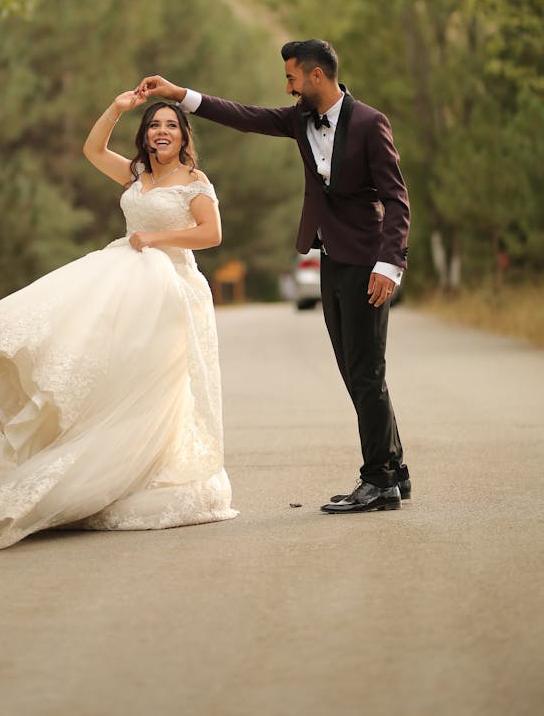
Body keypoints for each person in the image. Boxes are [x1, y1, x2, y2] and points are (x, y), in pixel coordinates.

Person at [0, 91, 237, 550]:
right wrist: (118, 107)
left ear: (184, 135)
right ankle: (98, 468)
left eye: (170, 125)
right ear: (145, 136)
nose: (162, 132)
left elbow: (211, 234)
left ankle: (149, 470)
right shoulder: (137, 174)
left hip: (173, 291)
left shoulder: (195, 181)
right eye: (154, 126)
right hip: (131, 287)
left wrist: (154, 237)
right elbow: (92, 151)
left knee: (158, 385)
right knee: (119, 377)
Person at [139, 38, 411, 515]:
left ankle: (379, 481)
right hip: (330, 255)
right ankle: (394, 468)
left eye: (291, 77)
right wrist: (180, 94)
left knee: (367, 372)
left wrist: (389, 265)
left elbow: (396, 199)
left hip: (368, 261)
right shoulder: (299, 120)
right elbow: (241, 115)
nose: (287, 87)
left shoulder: (370, 123)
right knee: (354, 369)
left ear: (316, 77)